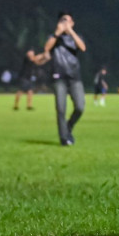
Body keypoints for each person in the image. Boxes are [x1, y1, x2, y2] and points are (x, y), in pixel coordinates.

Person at [43, 12, 86, 146]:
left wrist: (71, 32)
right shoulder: (53, 37)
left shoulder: (76, 37)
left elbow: (83, 48)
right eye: (63, 20)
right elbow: (47, 48)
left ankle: (68, 127)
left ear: (72, 23)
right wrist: (58, 33)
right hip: (59, 76)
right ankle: (64, 138)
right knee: (61, 109)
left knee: (80, 107)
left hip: (74, 77)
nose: (66, 23)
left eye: (68, 21)